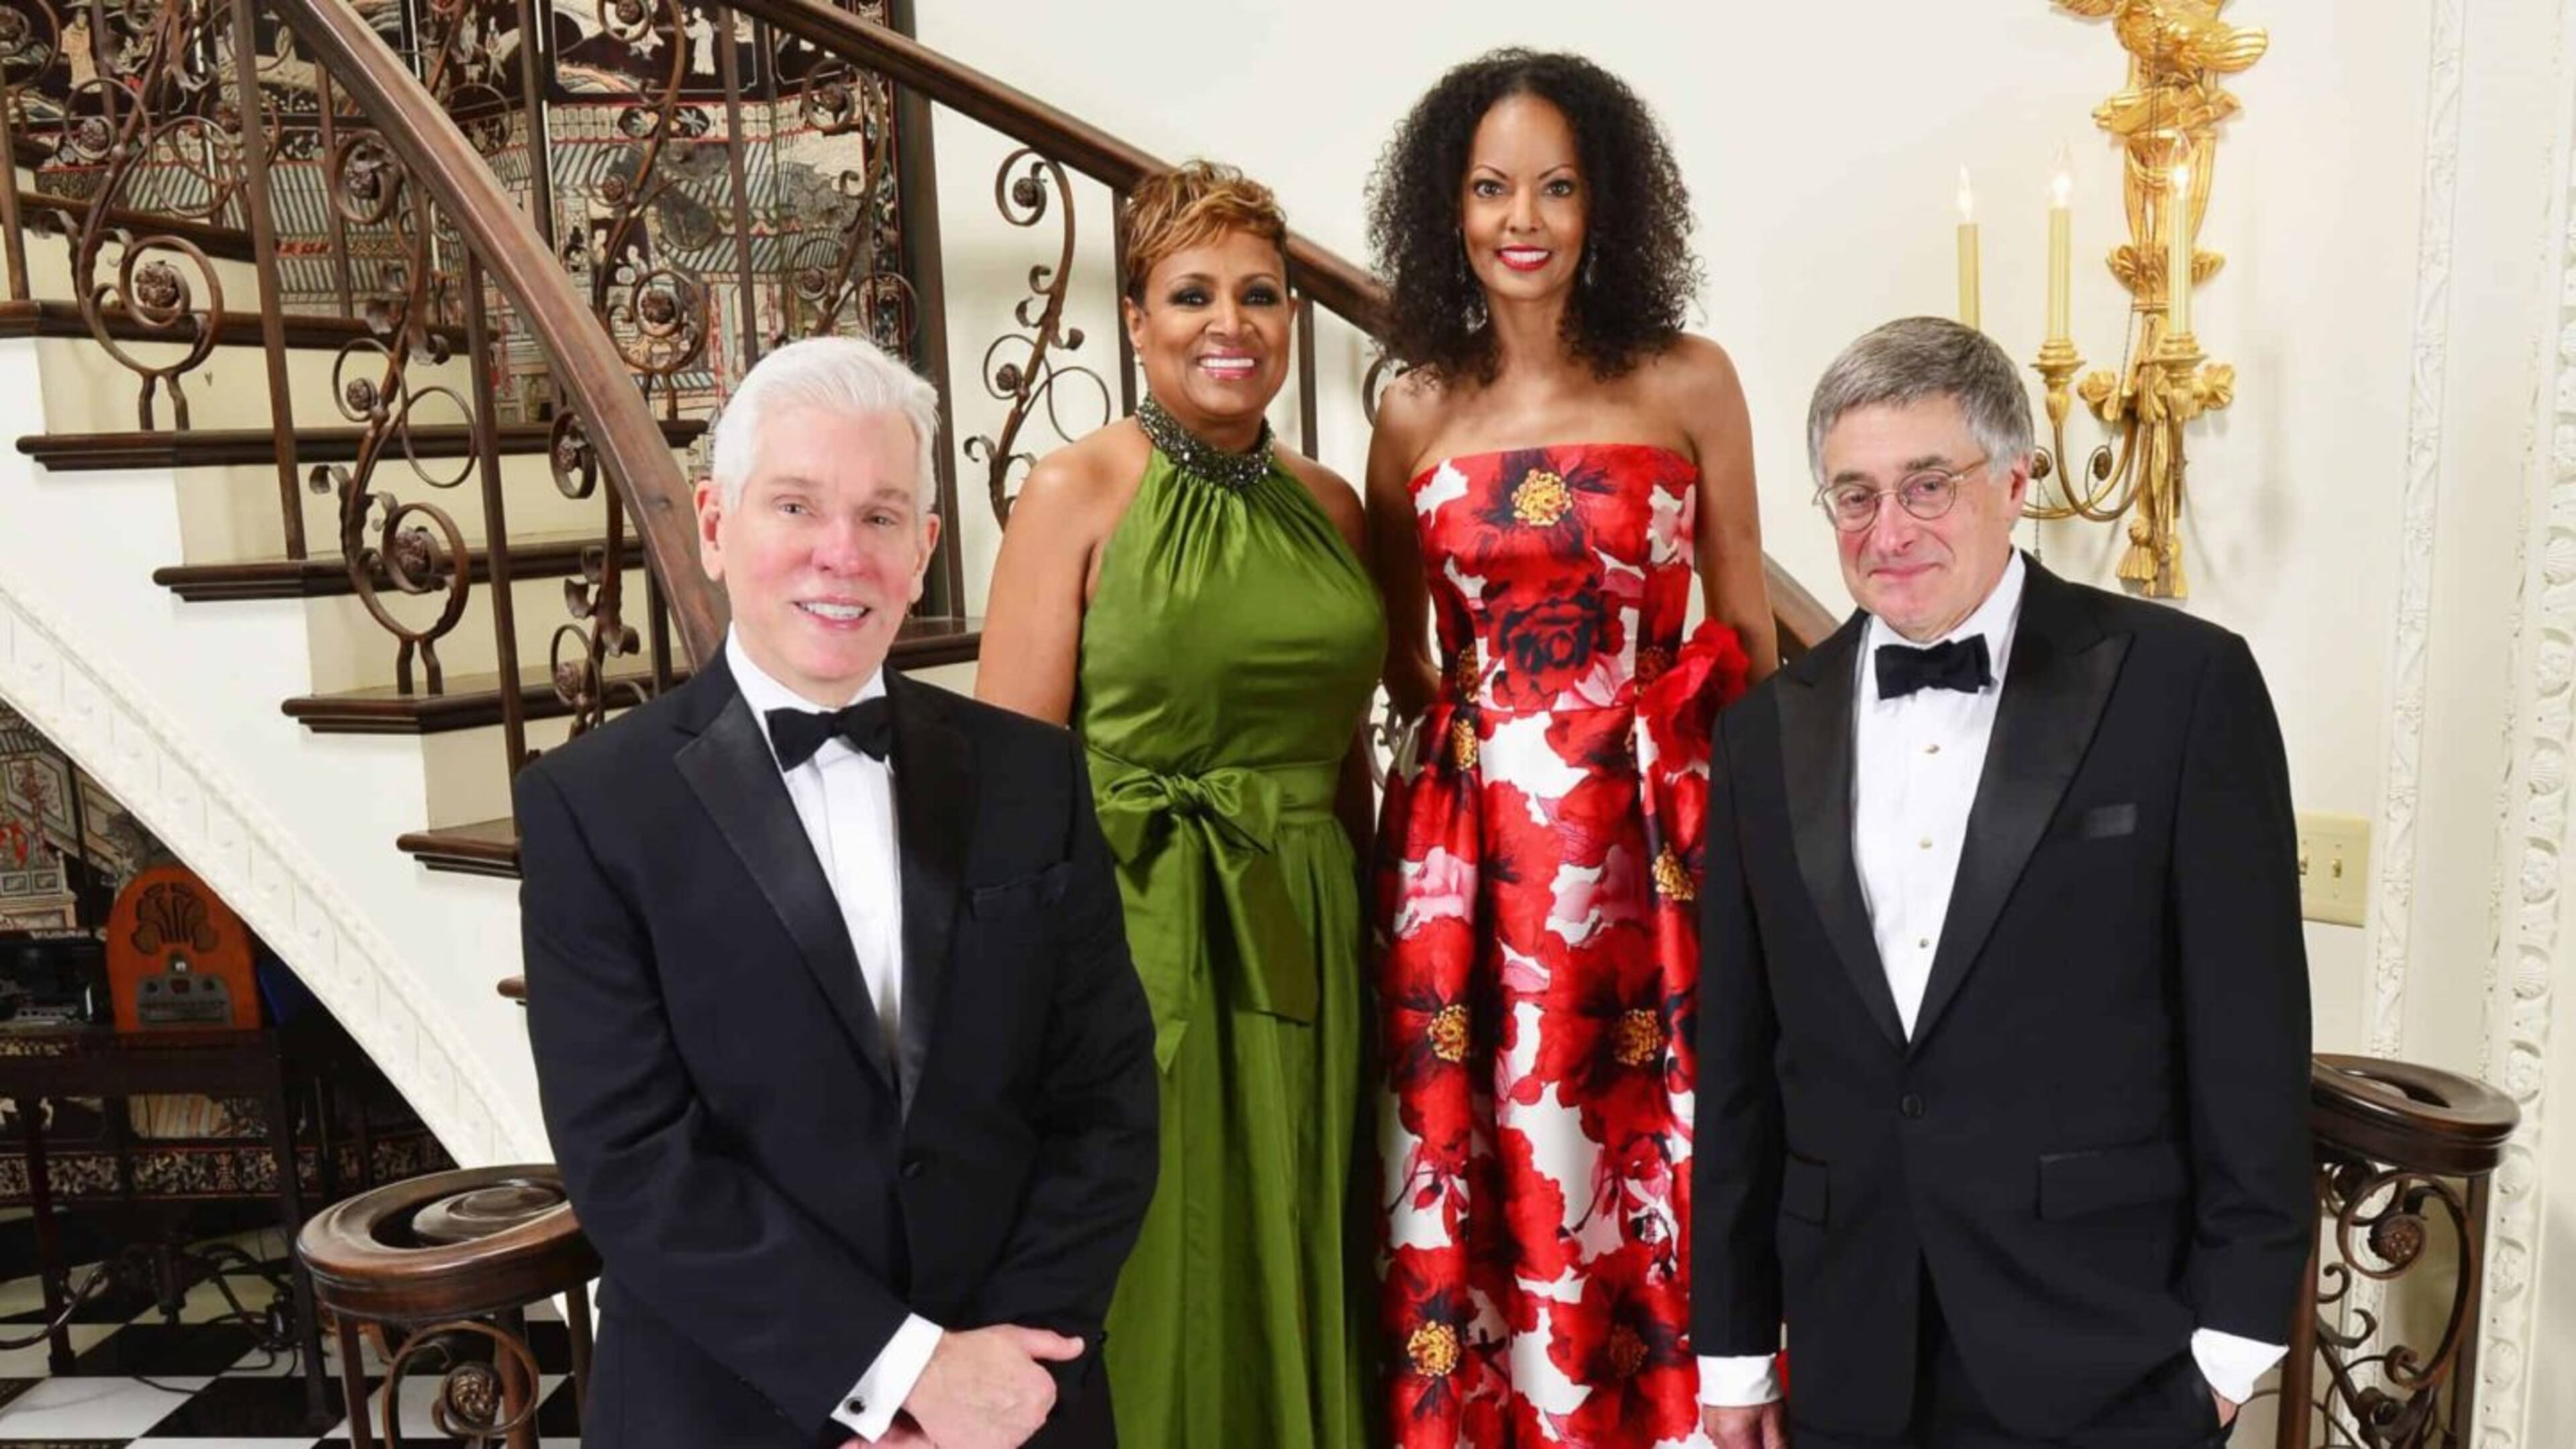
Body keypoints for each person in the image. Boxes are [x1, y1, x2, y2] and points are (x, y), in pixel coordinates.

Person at [517, 334, 1158, 1449]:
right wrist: (903, 1373)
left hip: (1015, 1402)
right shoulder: (592, 808)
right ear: (716, 527)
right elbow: (633, 1166)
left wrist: (991, 1377)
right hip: (726, 1408)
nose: (840, 555)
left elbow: (1105, 1107)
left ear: (925, 550)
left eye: (879, 516)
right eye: (797, 506)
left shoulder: (1034, 776)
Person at [1692, 317, 2312, 1449]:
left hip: (2105, 1350)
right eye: (1856, 495)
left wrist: (2232, 1349)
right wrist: (1734, 1356)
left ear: (2018, 478)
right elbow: (1738, 1068)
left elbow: (2251, 1037)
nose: (1890, 531)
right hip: (1848, 1347)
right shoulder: (1760, 737)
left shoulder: (2185, 688)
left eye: (1928, 486)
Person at [1364, 48, 1775, 1447]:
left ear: (1606, 207)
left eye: (1555, 185)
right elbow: (1400, 648)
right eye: (1490, 188)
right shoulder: (1414, 408)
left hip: (1658, 833)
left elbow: (1753, 639)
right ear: (1449, 207)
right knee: (1493, 1148)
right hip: (1475, 860)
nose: (1520, 218)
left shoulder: (1689, 381)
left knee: (1669, 1145)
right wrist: (1480, 757)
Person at [975, 162, 1385, 1446]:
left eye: (1261, 294)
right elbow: (1007, 772)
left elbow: (1350, 754)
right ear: (1137, 319)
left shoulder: (1335, 507)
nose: (1232, 322)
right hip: (1135, 931)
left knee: (1307, 1224)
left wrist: (1375, 919)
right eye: (1192, 292)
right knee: (1161, 1259)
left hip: (1307, 926)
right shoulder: (1077, 490)